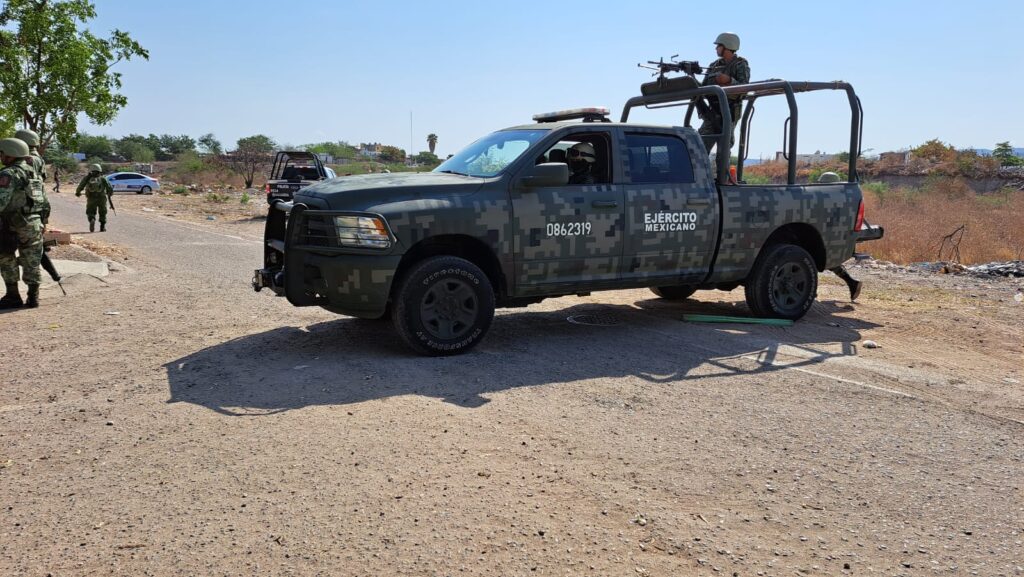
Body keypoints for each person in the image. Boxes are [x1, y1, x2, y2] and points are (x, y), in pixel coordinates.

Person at [0, 137, 46, 309]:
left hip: (11, 224)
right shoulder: (34, 173)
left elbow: (1, 202)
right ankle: (33, 297)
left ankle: (13, 296)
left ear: (11, 154)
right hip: (33, 223)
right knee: (32, 259)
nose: (1, 156)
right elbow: (45, 202)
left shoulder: (8, 173)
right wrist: (43, 221)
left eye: (2, 153)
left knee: (5, 257)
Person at [699, 32, 750, 154]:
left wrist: (729, 80)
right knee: (699, 145)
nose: (716, 48)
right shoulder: (714, 65)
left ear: (726, 46)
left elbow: (744, 89)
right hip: (713, 112)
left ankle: (723, 173)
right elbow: (703, 87)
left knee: (723, 150)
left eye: (718, 46)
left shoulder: (740, 64)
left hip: (729, 112)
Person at [817, 171, 863, 301]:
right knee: (830, 262)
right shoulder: (844, 195)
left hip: (828, 233)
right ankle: (852, 283)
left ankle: (852, 283)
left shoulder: (824, 196)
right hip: (837, 233)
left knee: (815, 261)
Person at [75, 164, 114, 232]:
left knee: (90, 211)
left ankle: (92, 219)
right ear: (100, 170)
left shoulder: (87, 178)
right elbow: (109, 187)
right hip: (102, 198)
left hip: (91, 197)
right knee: (103, 212)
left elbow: (81, 185)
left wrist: (78, 192)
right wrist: (109, 194)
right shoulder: (103, 178)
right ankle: (102, 227)